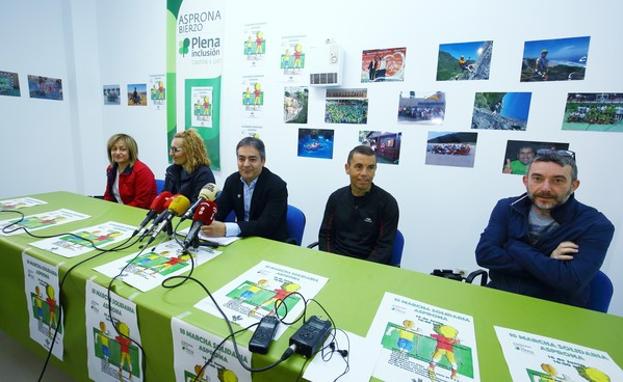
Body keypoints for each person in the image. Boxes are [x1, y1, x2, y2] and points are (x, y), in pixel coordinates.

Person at [476, 150, 615, 308]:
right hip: (500, 297)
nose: (546, 188)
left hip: (555, 308)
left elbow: (571, 280)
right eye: (537, 178)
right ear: (526, 180)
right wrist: (547, 259)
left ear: (574, 185)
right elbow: (484, 255)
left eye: (557, 180)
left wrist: (512, 245)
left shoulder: (596, 225)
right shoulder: (506, 207)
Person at [318, 145, 399, 264]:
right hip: (335, 263)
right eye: (359, 167)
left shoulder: (388, 203)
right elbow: (325, 235)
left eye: (370, 167)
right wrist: (330, 262)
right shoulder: (336, 198)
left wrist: (362, 271)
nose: (364, 173)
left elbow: (384, 248)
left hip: (369, 268)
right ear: (347, 168)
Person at [201, 137, 289, 241]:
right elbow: (219, 211)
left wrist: (226, 229)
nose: (246, 164)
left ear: (263, 161)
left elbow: (266, 226)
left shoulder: (277, 186)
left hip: (269, 242)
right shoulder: (232, 181)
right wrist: (205, 221)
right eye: (241, 159)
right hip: (242, 240)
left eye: (252, 159)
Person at [103, 133, 156, 209]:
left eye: (123, 149)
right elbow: (108, 195)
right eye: (114, 149)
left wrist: (119, 211)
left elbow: (141, 203)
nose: (117, 153)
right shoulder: (111, 169)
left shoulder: (142, 171)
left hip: (139, 213)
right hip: (119, 211)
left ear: (131, 152)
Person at [163, 129, 215, 201]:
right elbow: (164, 197)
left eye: (175, 150)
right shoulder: (171, 171)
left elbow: (197, 206)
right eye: (171, 149)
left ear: (190, 152)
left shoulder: (204, 174)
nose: (171, 154)